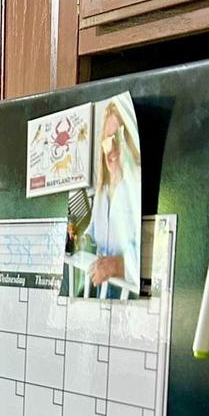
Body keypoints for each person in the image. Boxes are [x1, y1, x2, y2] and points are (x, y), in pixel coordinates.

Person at [88, 98, 141, 294]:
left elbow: (156, 259)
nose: (112, 150)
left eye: (119, 139)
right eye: (107, 141)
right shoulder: (102, 190)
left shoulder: (138, 186)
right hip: (101, 296)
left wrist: (116, 265)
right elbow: (92, 232)